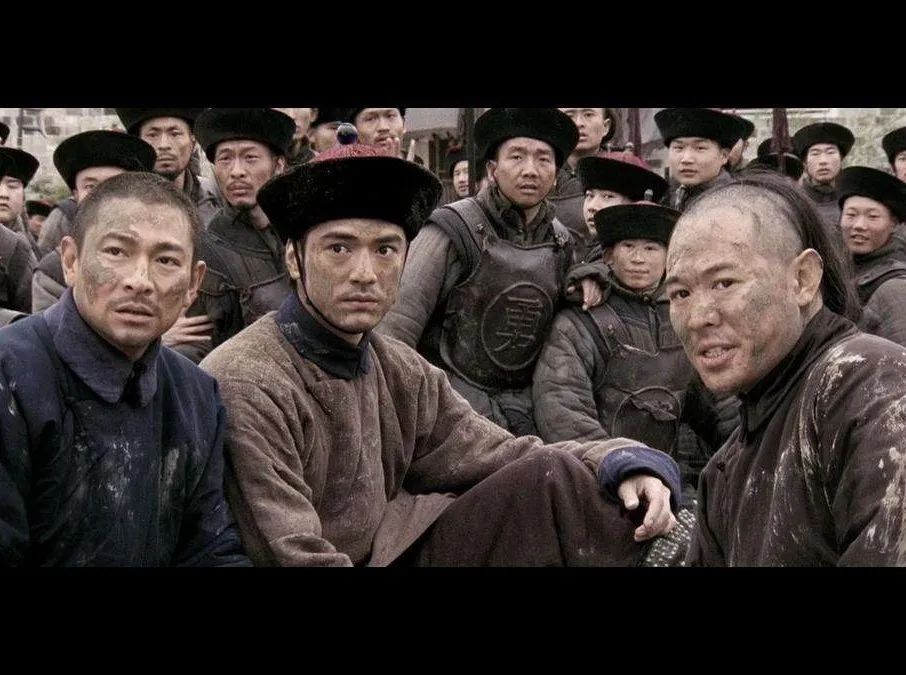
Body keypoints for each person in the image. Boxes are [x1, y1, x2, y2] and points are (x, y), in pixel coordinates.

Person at [200, 127, 682, 567]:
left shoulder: (399, 370)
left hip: (393, 551)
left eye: (385, 250)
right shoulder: (250, 378)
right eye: (338, 248)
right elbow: (290, 553)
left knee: (553, 474)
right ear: (294, 259)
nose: (365, 274)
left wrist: (623, 459)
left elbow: (508, 454)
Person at [657, 170, 906, 565]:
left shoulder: (871, 384)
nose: (698, 317)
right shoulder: (724, 469)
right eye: (680, 293)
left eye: (724, 283)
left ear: (803, 279)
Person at [0, 172, 249, 566]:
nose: (140, 281)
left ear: (193, 284)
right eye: (116, 252)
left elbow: (210, 547)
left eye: (166, 260)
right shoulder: (10, 374)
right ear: (71, 260)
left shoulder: (196, 394)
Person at [378, 108, 590, 435]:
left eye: (543, 159)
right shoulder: (453, 229)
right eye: (516, 157)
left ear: (557, 173)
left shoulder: (561, 242)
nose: (530, 170)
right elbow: (395, 332)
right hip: (447, 409)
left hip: (525, 412)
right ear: (492, 169)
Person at [176, 107, 296, 363]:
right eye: (225, 159)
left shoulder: (302, 231)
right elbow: (196, 346)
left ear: (278, 165)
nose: (236, 171)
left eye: (250, 158)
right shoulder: (208, 250)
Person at [31, 130, 157, 313]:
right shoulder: (53, 270)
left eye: (115, 186)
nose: (102, 196)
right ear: (76, 195)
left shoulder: (162, 257)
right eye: (90, 186)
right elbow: (50, 327)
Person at [836, 165, 906, 347]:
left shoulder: (896, 287)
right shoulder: (837, 267)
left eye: (872, 217)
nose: (859, 225)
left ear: (893, 224)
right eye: (851, 215)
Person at [116, 108, 223, 225]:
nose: (164, 145)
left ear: (193, 142)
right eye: (152, 135)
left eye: (175, 134)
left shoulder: (218, 201)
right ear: (138, 143)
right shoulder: (120, 202)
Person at [655, 108, 739, 212]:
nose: (686, 159)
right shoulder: (671, 196)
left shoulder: (734, 203)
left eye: (700, 148)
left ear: (724, 156)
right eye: (678, 148)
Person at [792, 121, 854, 228]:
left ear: (841, 159)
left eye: (830, 152)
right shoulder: (794, 200)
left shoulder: (854, 199)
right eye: (815, 153)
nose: (823, 161)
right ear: (805, 162)